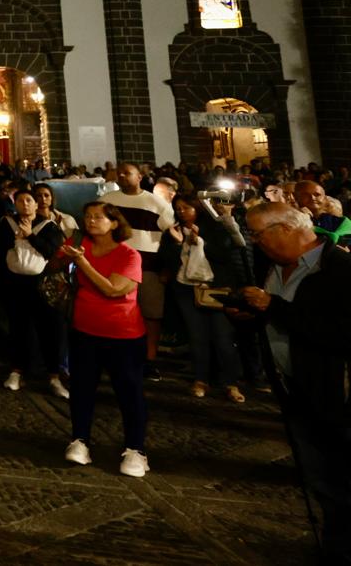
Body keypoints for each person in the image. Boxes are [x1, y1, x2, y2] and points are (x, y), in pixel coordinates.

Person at [237, 202, 351, 563]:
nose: (255, 242)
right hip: (296, 390)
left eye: (258, 234)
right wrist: (250, 313)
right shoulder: (274, 267)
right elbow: (279, 321)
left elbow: (339, 333)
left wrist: (272, 306)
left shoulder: (340, 269)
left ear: (285, 229)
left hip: (339, 395)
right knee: (323, 481)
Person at [60, 202, 150, 478]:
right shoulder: (78, 244)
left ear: (114, 223)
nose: (91, 220)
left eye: (99, 217)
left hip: (123, 335)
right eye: (87, 216)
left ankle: (135, 449)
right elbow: (52, 265)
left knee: (129, 392)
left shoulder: (129, 255)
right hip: (84, 330)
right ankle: (80, 439)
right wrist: (63, 257)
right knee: (82, 388)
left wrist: (82, 262)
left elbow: (113, 290)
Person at [159, 194, 248, 402]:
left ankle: (230, 382)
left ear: (197, 208)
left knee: (222, 337)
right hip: (186, 289)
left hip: (214, 287)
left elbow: (225, 254)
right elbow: (167, 260)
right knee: (197, 337)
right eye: (178, 208)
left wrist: (200, 242)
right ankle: (200, 379)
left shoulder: (214, 228)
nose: (182, 211)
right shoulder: (172, 232)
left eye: (186, 207)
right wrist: (179, 244)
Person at [100, 162, 174, 378]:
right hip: (115, 267)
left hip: (148, 267)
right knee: (116, 314)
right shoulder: (107, 202)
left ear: (140, 176)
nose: (122, 176)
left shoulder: (156, 203)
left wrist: (166, 266)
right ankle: (115, 357)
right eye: (119, 173)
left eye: (127, 173)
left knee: (151, 314)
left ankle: (149, 359)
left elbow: (170, 236)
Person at [0, 189, 69, 397]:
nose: (25, 204)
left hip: (42, 285)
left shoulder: (49, 226)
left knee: (50, 329)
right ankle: (16, 371)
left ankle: (54, 376)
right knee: (18, 327)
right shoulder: (7, 224)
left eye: (29, 200)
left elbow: (52, 250)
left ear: (36, 204)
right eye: (20, 200)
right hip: (16, 284)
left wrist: (30, 236)